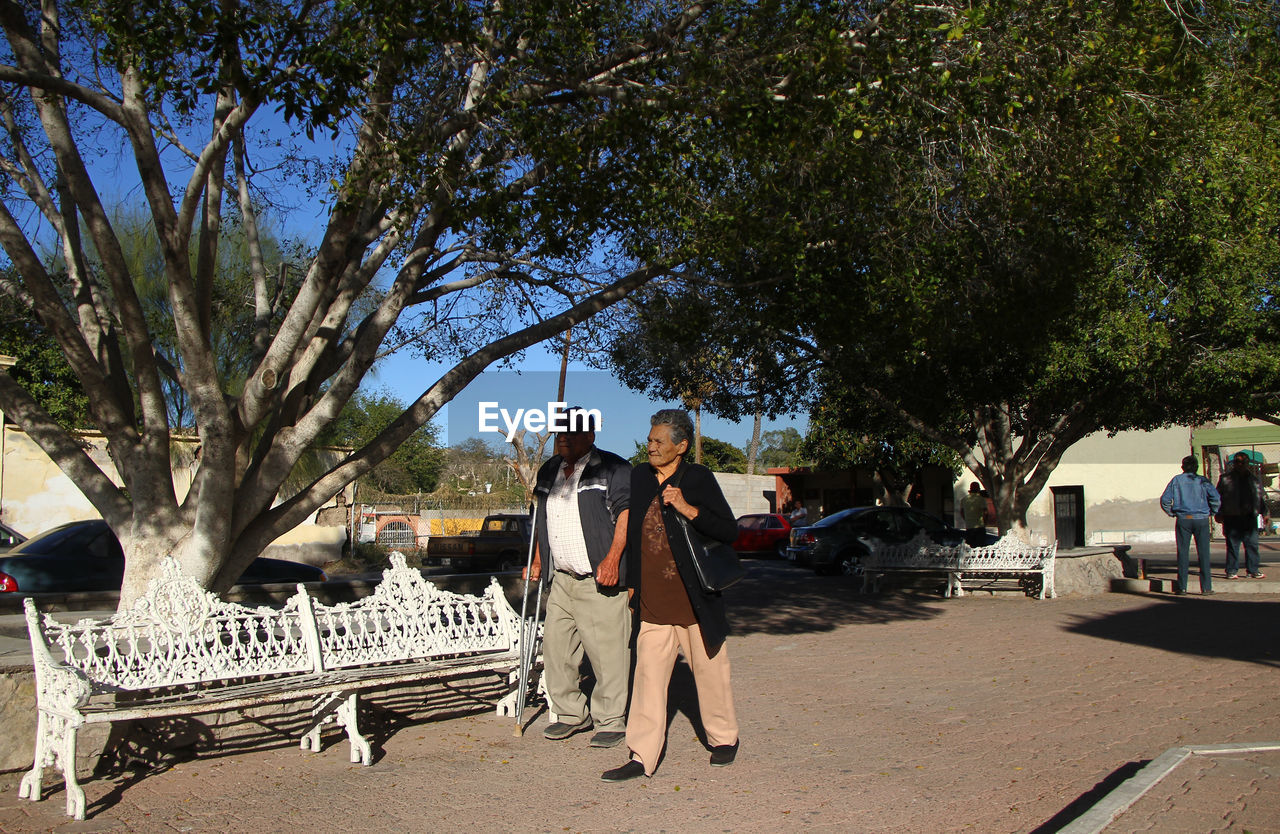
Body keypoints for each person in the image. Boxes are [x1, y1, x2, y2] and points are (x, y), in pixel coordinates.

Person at [601, 409, 740, 782]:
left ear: (681, 445)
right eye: (649, 439)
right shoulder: (639, 476)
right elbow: (633, 534)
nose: (651, 446)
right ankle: (641, 755)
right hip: (653, 601)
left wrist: (687, 507)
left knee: (710, 672)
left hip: (694, 598)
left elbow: (728, 531)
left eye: (659, 441)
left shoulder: (697, 478)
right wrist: (632, 583)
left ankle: (723, 739)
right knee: (646, 678)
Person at [526, 408, 632, 747]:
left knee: (607, 654)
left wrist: (613, 559)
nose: (563, 438)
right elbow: (543, 520)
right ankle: (572, 714)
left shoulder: (613, 468)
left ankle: (611, 719)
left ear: (591, 436)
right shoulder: (548, 472)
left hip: (598, 580)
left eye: (572, 433)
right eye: (559, 432)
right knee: (557, 651)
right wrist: (539, 561)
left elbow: (625, 514)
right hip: (562, 580)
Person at [1160, 455, 1222, 595]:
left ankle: (1182, 587)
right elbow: (1216, 498)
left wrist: (1172, 513)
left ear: (1182, 467)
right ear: (1196, 467)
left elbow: (1165, 500)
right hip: (1201, 519)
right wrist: (1212, 511)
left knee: (1183, 553)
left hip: (1183, 519)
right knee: (1204, 554)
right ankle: (1206, 587)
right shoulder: (1202, 481)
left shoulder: (1176, 480)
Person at [1216, 452, 1269, 580]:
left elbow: (1260, 498)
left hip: (1249, 517)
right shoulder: (1225, 479)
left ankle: (1253, 570)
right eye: (1238, 462)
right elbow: (1218, 498)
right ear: (1234, 463)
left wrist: (1265, 513)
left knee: (1252, 545)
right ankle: (1231, 570)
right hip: (1232, 517)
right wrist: (1218, 513)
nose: (1240, 465)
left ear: (1247, 464)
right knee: (1233, 546)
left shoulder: (1254, 480)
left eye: (1243, 462)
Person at [961, 482, 987, 546]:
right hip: (979, 527)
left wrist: (967, 519)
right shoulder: (981, 499)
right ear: (978, 489)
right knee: (980, 548)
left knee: (970, 547)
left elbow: (961, 512)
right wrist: (985, 522)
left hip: (969, 527)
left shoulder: (964, 499)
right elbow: (985, 513)